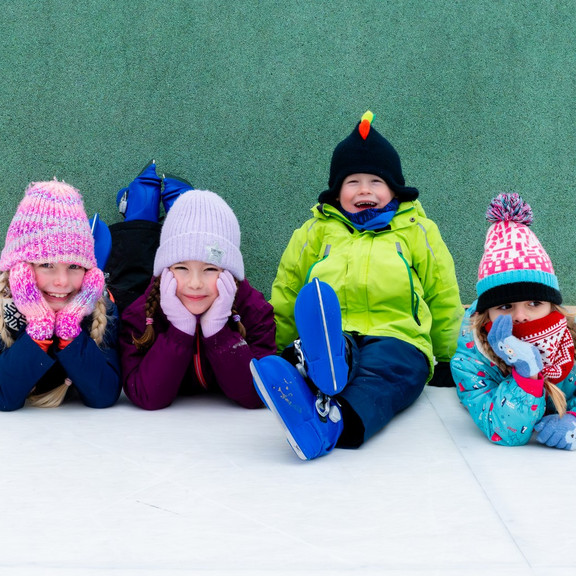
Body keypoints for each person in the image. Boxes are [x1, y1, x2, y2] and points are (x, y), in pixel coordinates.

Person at [250, 111, 463, 460]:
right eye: (353, 182)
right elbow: (288, 289)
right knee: (327, 345)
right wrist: (277, 342)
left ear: (394, 188)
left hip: (398, 337)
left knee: (383, 378)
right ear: (337, 192)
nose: (365, 189)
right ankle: (311, 365)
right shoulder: (315, 232)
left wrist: (446, 356)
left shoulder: (416, 231)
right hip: (337, 333)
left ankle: (331, 418)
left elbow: (442, 293)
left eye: (376, 182)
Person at [116, 165, 276, 410]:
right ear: (166, 272)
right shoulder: (141, 313)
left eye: (210, 269)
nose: (195, 283)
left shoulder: (253, 309)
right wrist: (179, 330)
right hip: (153, 290)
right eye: (181, 268)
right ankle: (142, 207)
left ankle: (171, 201)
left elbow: (257, 395)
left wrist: (217, 332)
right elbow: (146, 395)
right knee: (132, 270)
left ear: (229, 273)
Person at [451, 192, 576, 450]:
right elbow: (505, 432)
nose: (520, 316)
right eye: (506, 306)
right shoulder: (472, 360)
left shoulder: (571, 339)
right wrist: (526, 373)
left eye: (534, 303)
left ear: (552, 305)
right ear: (487, 313)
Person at [0, 180, 121, 410]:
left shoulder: (101, 307)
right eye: (46, 264)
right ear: (19, 268)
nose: (62, 281)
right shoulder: (3, 309)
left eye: (74, 267)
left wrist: (69, 331)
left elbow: (104, 394)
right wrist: (39, 328)